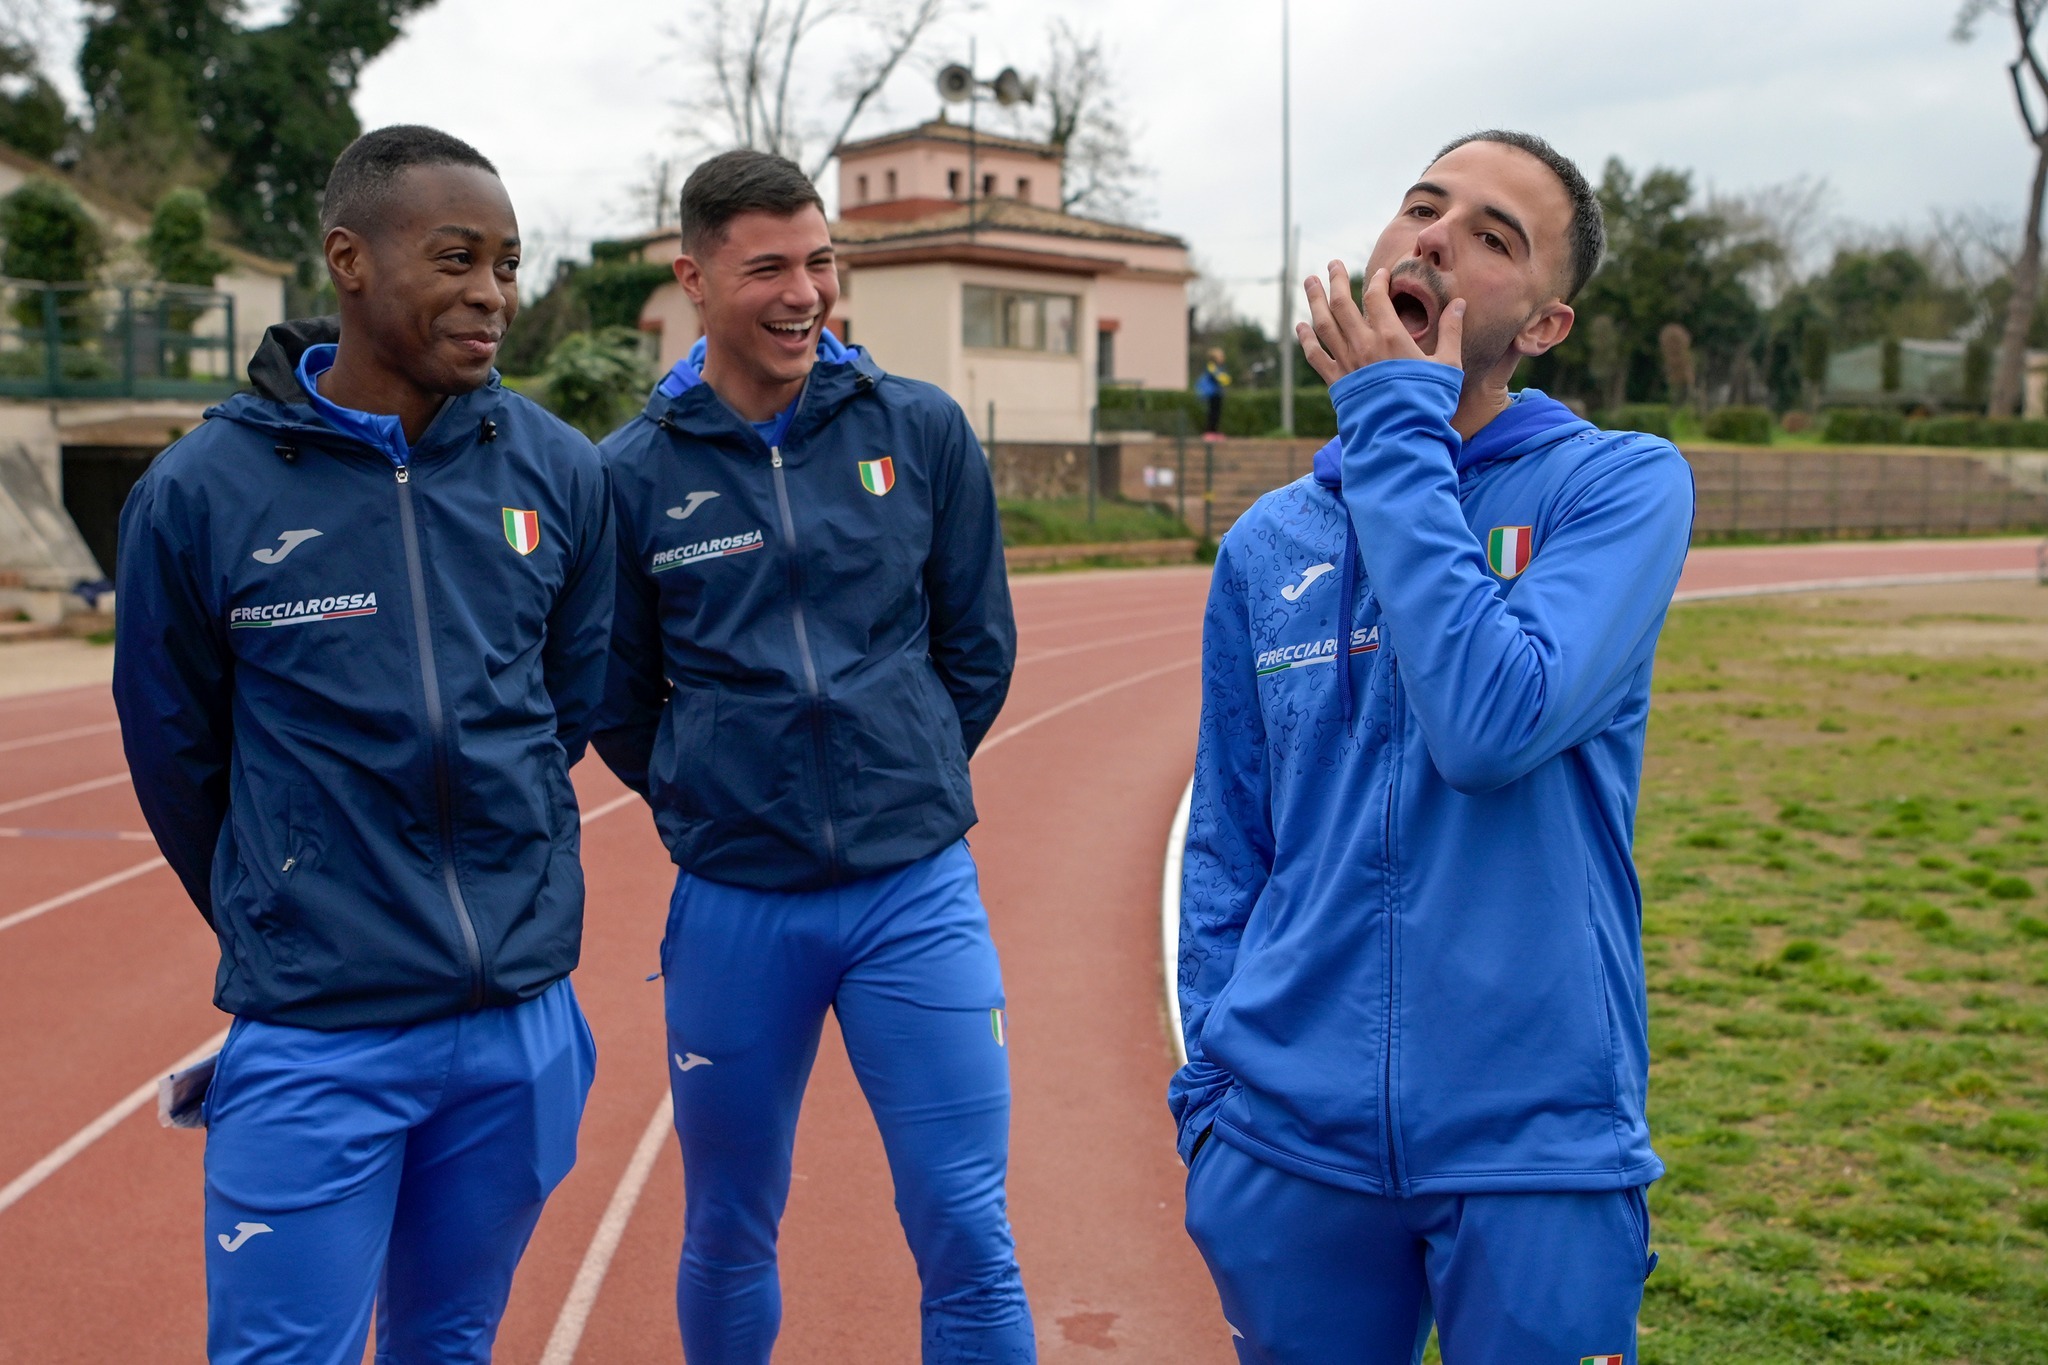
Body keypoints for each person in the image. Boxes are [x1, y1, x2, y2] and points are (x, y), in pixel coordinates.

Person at [1171, 130, 1695, 1364]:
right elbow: (1230, 842)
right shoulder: (1266, 543)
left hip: (1535, 1150)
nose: (1438, 237)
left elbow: (1487, 725)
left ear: (1544, 326)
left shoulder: (1615, 489)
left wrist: (1392, 428)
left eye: (1493, 236)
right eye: (1422, 206)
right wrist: (1214, 1098)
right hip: (1286, 1145)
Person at [113, 125, 613, 1364]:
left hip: (517, 1020)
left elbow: (567, 702)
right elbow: (176, 757)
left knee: (450, 1343)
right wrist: (293, 903)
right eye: (456, 258)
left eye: (507, 263)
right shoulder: (200, 492)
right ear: (348, 260)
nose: (492, 293)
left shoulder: (558, 470)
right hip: (320, 1030)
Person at [592, 150, 1032, 1364]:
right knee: (728, 1226)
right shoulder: (629, 476)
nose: (804, 294)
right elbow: (614, 696)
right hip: (738, 904)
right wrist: (715, 786)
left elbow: (976, 647)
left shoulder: (918, 428)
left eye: (820, 262)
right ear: (692, 278)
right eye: (768, 269)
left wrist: (899, 768)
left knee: (966, 1223)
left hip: (912, 893)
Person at [1195, 346, 1231, 438]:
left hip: (1218, 394)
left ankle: (1214, 432)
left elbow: (1225, 379)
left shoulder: (1220, 368)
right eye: (1221, 356)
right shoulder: (1212, 367)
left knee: (1217, 414)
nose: (1223, 358)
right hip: (1212, 394)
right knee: (1212, 413)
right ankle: (1209, 432)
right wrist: (1225, 379)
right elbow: (1220, 378)